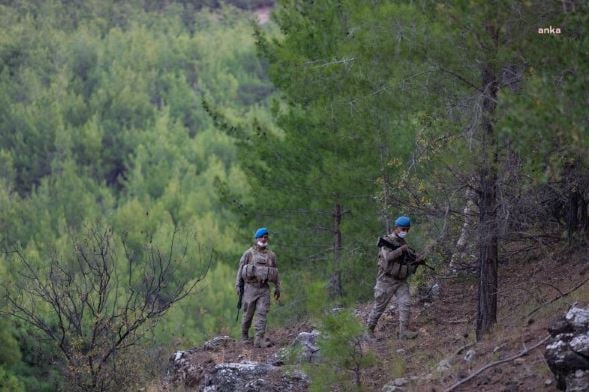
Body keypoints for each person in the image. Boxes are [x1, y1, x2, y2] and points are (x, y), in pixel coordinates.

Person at [366, 216, 420, 340]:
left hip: (400, 280)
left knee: (405, 302)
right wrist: (401, 250)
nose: (405, 231)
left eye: (407, 229)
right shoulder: (387, 241)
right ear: (396, 228)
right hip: (386, 280)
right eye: (403, 229)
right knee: (379, 306)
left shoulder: (403, 243)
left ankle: (403, 332)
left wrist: (416, 259)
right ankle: (368, 331)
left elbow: (406, 260)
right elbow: (388, 257)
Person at [235, 227, 281, 348]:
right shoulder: (248, 254)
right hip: (250, 288)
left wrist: (277, 288)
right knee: (248, 315)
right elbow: (240, 270)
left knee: (262, 313)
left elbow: (276, 273)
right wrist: (238, 286)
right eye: (261, 237)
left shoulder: (271, 255)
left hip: (264, 288)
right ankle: (244, 337)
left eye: (266, 237)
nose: (264, 239)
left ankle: (259, 339)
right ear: (256, 239)